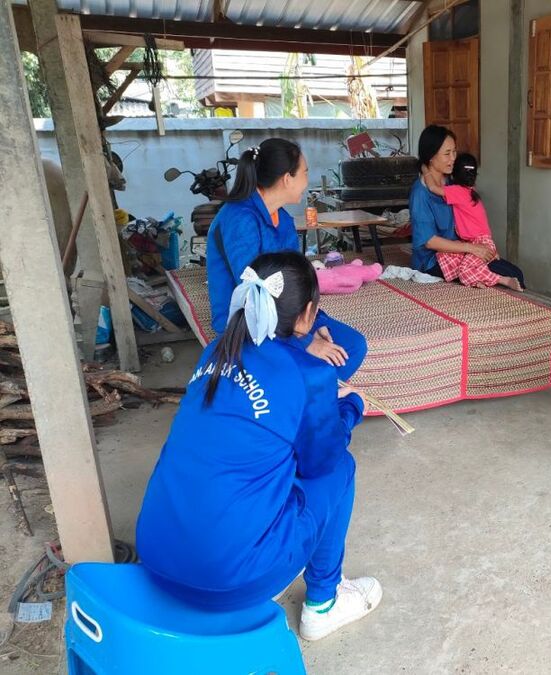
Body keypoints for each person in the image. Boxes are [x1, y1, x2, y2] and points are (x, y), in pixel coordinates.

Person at [137, 251, 382, 642]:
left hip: (156, 560)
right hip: (231, 583)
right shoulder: (310, 375)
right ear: (307, 315)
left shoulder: (214, 352)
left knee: (252, 454)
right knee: (339, 469)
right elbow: (323, 460)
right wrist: (351, 407)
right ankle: (324, 602)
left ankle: (272, 557)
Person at [207, 138, 366, 381]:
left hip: (287, 314)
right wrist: (304, 339)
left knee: (352, 346)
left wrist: (313, 321)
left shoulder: (283, 219)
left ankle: (309, 393)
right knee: (302, 358)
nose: (307, 181)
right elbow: (254, 295)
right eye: (305, 173)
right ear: (287, 178)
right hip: (249, 320)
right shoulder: (238, 219)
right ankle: (302, 395)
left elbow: (297, 279)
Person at [410, 125, 525, 289]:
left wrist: (478, 247)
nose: (453, 158)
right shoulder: (420, 193)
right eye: (447, 154)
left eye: (454, 152)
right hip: (433, 260)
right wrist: (471, 248)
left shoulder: (452, 182)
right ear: (430, 156)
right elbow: (429, 241)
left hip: (461, 250)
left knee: (515, 272)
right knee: (507, 274)